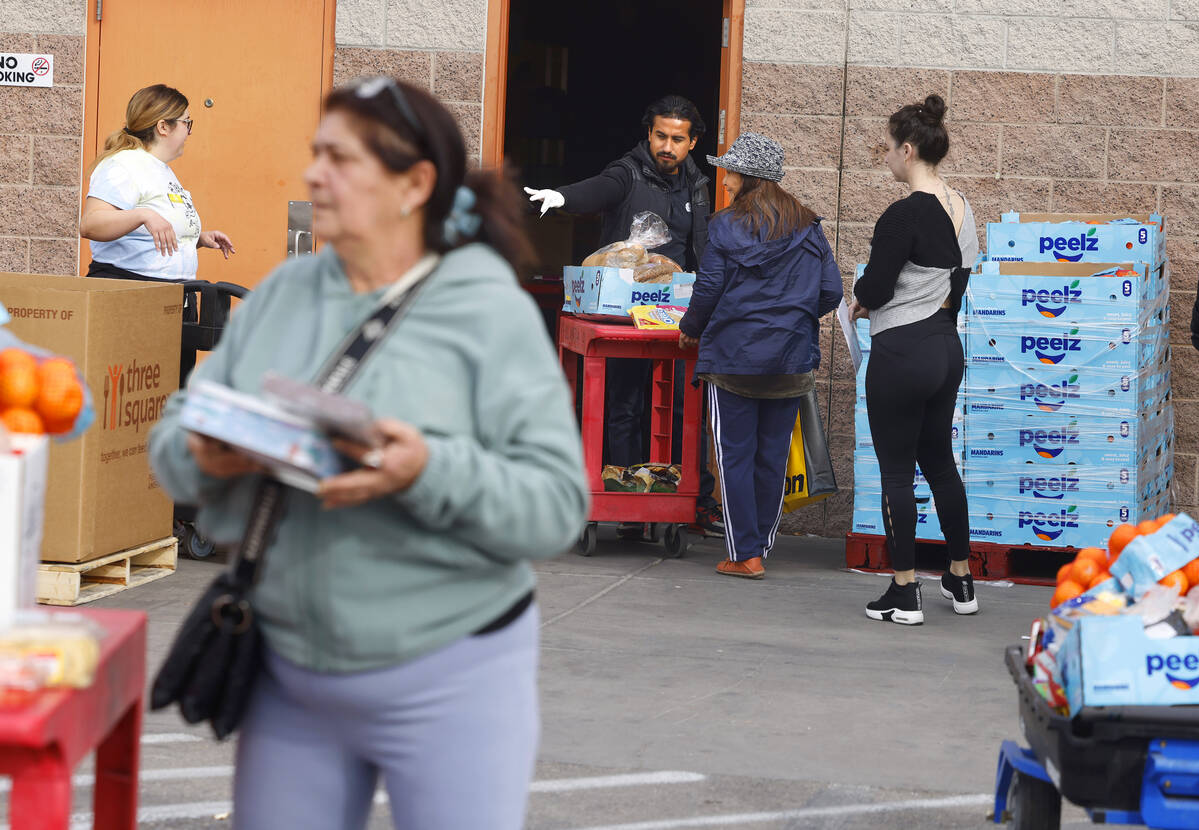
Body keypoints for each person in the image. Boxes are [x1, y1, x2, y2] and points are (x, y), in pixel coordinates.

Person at [147, 76, 589, 830]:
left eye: (342, 160)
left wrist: (428, 470)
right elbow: (174, 437)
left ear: (414, 184)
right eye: (316, 154)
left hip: (452, 677)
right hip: (288, 676)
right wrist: (207, 454)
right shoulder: (284, 292)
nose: (315, 174)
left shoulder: (487, 308)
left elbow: (557, 504)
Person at [525, 94, 723, 536]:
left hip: (677, 317)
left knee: (678, 410)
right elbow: (601, 187)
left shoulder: (697, 184)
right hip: (622, 317)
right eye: (660, 136)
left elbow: (704, 246)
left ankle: (687, 500)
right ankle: (627, 496)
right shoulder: (629, 171)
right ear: (648, 135)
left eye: (677, 139)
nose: (667, 146)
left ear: (692, 143)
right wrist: (562, 196)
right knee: (625, 404)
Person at [678, 133, 841, 579]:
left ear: (747, 178)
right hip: (790, 360)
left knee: (735, 456)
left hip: (734, 359)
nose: (724, 179)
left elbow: (708, 289)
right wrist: (794, 319)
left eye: (729, 171)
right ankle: (759, 548)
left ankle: (743, 553)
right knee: (771, 457)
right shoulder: (809, 226)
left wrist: (690, 329)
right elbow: (831, 292)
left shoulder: (726, 225)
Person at [848, 94, 978, 625]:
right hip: (948, 345)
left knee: (897, 474)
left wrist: (858, 296)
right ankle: (961, 576)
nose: (884, 157)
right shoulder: (963, 206)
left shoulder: (902, 214)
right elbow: (960, 278)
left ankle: (904, 591)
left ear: (907, 150)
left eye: (886, 148)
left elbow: (877, 288)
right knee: (941, 464)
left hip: (903, 348)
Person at [78, 83, 236, 382]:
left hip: (175, 301)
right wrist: (142, 214)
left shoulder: (161, 169)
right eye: (187, 123)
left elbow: (152, 232)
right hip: (133, 300)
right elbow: (91, 224)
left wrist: (196, 239)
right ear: (163, 126)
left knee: (167, 397)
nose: (190, 130)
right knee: (134, 400)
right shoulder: (123, 165)